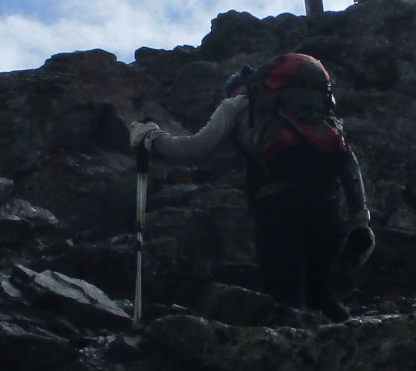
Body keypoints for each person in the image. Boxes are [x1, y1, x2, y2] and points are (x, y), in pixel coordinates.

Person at [129, 54, 374, 319]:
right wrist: (360, 218)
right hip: (325, 203)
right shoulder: (318, 109)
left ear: (239, 88)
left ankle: (291, 341)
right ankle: (351, 340)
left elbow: (197, 148)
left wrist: (153, 139)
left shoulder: (237, 105)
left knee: (284, 299)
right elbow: (347, 161)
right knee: (324, 297)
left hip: (277, 205)